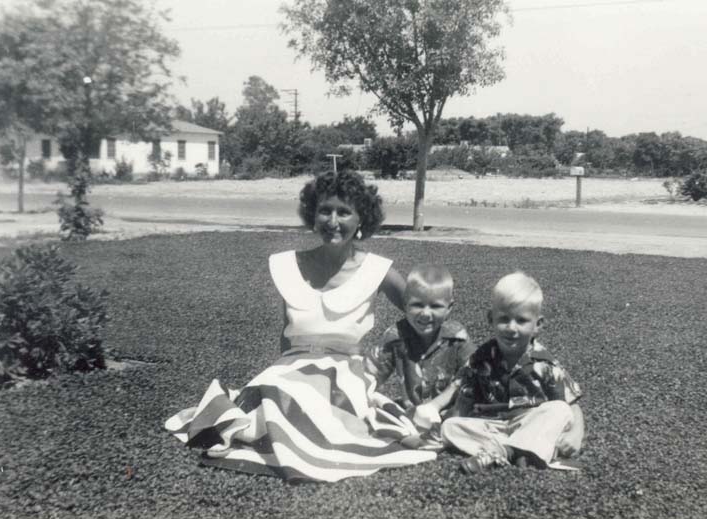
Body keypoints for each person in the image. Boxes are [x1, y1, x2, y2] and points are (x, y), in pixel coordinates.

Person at [164, 170, 436, 483]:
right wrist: (284, 370)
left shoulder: (377, 270)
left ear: (362, 219)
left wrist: (433, 353)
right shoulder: (289, 265)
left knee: (287, 399)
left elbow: (420, 313)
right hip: (290, 368)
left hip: (343, 374)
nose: (333, 221)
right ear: (312, 214)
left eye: (344, 212)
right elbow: (286, 334)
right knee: (270, 393)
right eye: (325, 210)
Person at [441, 272, 585, 474]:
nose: (511, 328)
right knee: (449, 427)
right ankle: (518, 450)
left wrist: (576, 434)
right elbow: (463, 400)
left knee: (559, 410)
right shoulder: (480, 359)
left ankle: (501, 451)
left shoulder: (545, 363)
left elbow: (572, 405)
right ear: (491, 319)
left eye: (521, 320)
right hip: (493, 426)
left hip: (530, 421)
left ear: (538, 325)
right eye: (504, 319)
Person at [364, 264, 475, 447]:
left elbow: (472, 373)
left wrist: (438, 405)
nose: (425, 313)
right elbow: (370, 373)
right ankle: (416, 436)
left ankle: (432, 436)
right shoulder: (396, 336)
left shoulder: (456, 336)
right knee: (375, 412)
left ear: (449, 308)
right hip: (412, 413)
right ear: (405, 304)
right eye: (417, 305)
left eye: (436, 306)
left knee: (469, 411)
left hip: (452, 411)